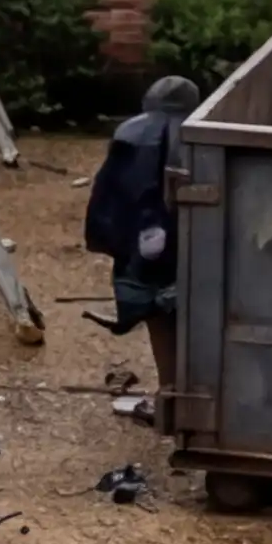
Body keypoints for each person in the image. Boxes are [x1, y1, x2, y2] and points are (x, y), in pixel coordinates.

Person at [84, 73, 197, 397]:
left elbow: (106, 195)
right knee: (189, 309)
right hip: (192, 240)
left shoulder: (128, 134)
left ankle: (170, 388)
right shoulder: (199, 137)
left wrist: (110, 242)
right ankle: (191, 388)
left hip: (142, 243)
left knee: (155, 313)